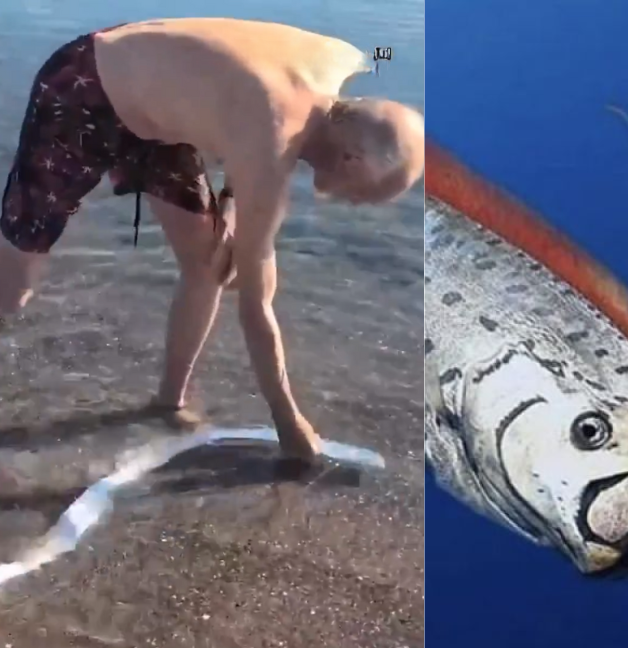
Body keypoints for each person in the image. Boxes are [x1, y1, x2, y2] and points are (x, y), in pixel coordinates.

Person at [0, 18, 425, 461]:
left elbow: (379, 54)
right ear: (352, 160)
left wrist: (231, 199)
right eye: (367, 196)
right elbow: (257, 309)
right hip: (85, 88)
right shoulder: (271, 148)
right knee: (15, 289)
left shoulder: (345, 56)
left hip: (163, 114)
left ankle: (168, 402)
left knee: (209, 263)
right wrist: (288, 421)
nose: (357, 205)